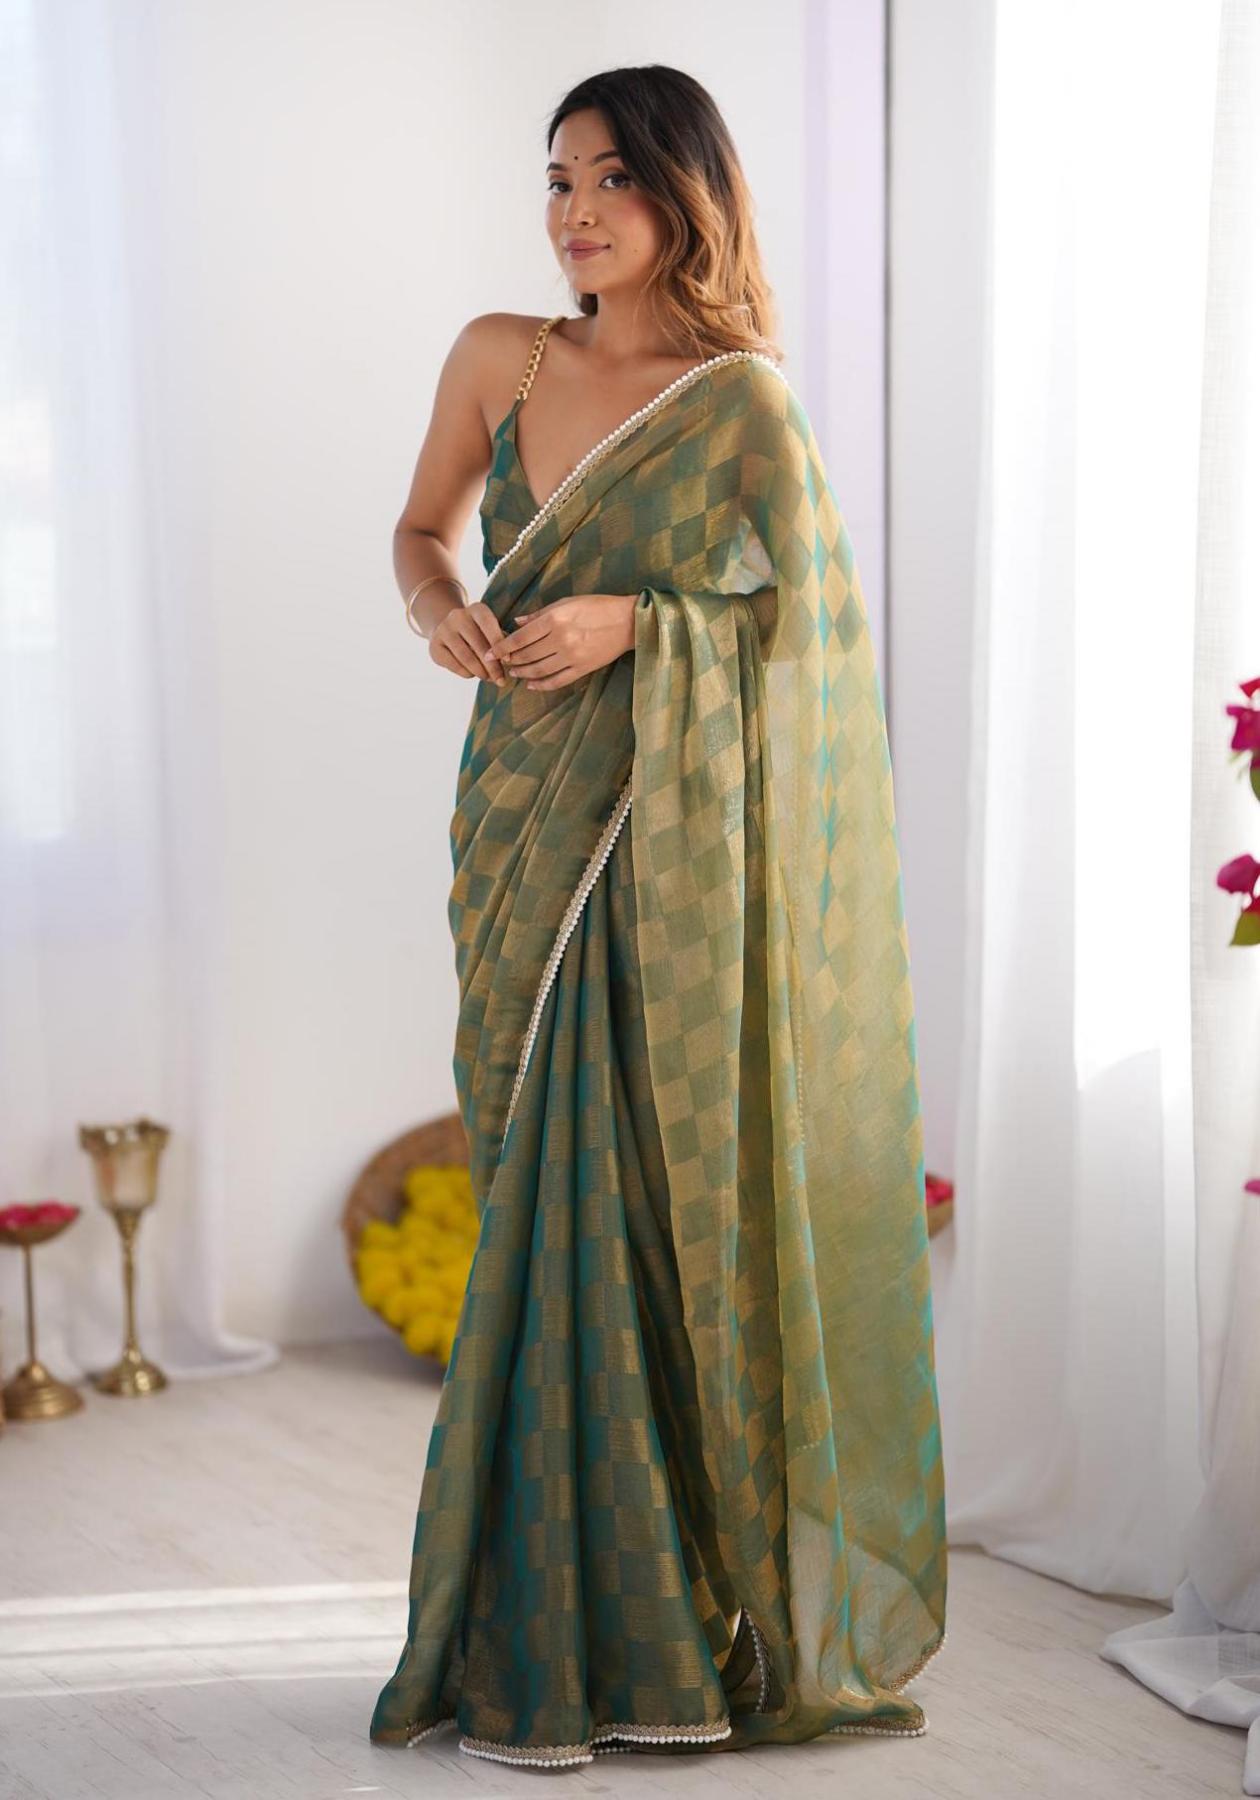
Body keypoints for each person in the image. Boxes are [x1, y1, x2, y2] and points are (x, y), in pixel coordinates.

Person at [369, 62, 947, 1770]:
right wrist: (441, 608)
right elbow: (419, 529)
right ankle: (533, 1625)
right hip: (520, 818)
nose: (574, 212)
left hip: (669, 857)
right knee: (530, 1206)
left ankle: (669, 1633)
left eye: (611, 178)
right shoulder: (501, 356)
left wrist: (642, 622)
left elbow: (807, 638)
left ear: (687, 191)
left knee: (639, 1205)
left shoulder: (740, 404)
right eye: (558, 180)